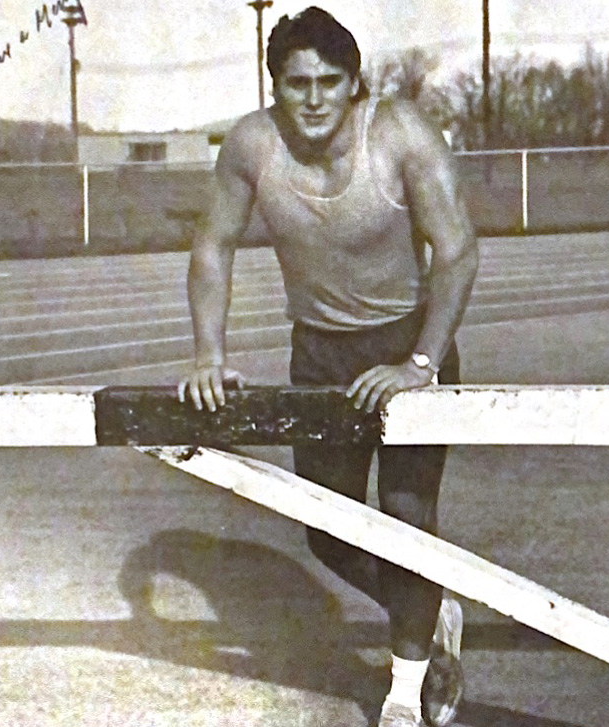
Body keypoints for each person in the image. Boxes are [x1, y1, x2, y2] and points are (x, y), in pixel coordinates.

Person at [177, 7, 479, 727]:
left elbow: (458, 249)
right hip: (318, 353)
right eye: (295, 82)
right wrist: (209, 353)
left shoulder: (400, 133)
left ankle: (406, 687)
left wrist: (419, 362)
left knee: (405, 517)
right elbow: (212, 244)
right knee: (327, 529)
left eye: (328, 82)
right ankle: (429, 613)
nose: (312, 98)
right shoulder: (252, 144)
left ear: (355, 85)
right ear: (275, 87)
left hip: (406, 342)